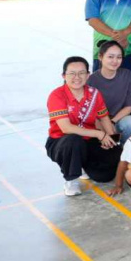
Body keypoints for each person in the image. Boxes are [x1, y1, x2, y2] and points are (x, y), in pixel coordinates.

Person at [47, 57, 122, 196]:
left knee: (108, 169)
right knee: (74, 140)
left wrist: (113, 141)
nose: (77, 77)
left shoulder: (94, 93)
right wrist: (100, 134)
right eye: (72, 73)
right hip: (62, 142)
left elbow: (104, 118)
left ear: (88, 75)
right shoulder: (57, 95)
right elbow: (66, 128)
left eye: (81, 73)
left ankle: (83, 165)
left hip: (88, 140)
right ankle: (71, 179)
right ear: (64, 76)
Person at [86, 41, 131, 143]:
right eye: (110, 57)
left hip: (118, 120)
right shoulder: (91, 80)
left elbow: (129, 107)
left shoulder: (127, 75)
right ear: (100, 57)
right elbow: (89, 111)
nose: (115, 61)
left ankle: (124, 152)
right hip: (97, 123)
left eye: (119, 57)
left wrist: (112, 122)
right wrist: (105, 127)